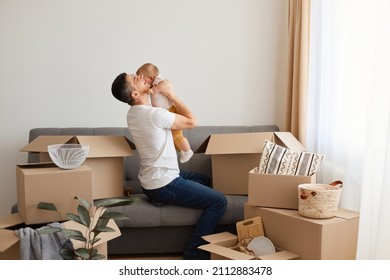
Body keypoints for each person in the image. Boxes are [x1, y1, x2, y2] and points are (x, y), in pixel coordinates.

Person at [111, 72, 227, 260]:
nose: (140, 76)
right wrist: (170, 94)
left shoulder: (133, 113)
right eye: (135, 78)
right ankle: (193, 255)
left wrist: (155, 89)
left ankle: (161, 199)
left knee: (206, 180)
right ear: (134, 94)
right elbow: (192, 122)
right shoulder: (152, 115)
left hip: (156, 181)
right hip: (164, 184)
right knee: (219, 201)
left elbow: (156, 109)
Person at [136, 63, 193, 163]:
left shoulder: (158, 80)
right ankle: (182, 151)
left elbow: (165, 85)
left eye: (142, 77)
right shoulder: (151, 85)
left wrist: (155, 90)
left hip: (170, 110)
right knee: (172, 137)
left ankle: (188, 151)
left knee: (177, 136)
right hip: (164, 113)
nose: (141, 79)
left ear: (150, 77)